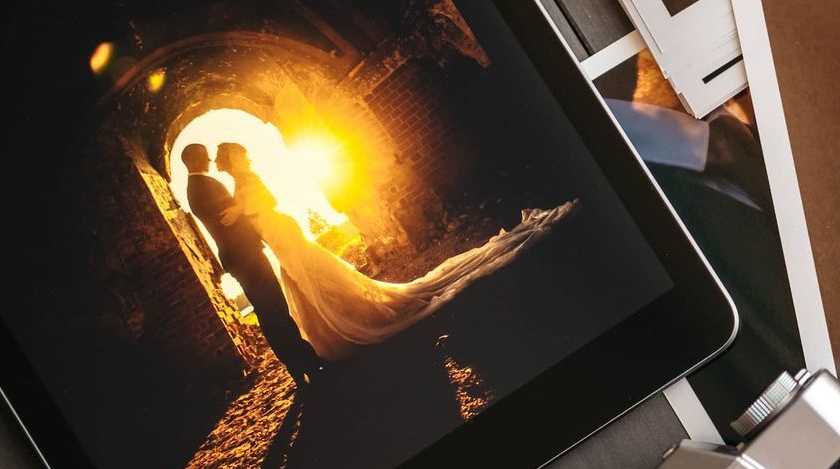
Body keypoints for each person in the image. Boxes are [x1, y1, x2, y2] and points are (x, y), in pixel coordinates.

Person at [214, 142, 576, 363]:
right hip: (276, 235)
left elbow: (269, 202)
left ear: (233, 158)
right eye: (228, 158)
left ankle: (353, 318)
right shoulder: (237, 181)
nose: (228, 161)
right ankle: (338, 322)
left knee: (314, 274)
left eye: (226, 156)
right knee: (308, 278)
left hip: (281, 229)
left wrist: (241, 212)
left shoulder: (247, 178)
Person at [181, 142, 323, 386]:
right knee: (275, 308)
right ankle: (307, 363)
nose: (209, 160)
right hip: (244, 255)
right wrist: (241, 208)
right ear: (193, 159)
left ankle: (297, 368)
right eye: (204, 156)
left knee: (268, 311)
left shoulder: (198, 186)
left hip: (240, 256)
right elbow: (228, 218)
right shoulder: (202, 186)